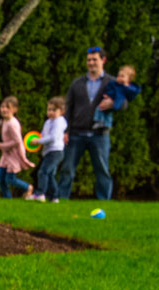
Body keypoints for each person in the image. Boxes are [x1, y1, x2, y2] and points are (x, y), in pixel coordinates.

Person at [58, 46, 117, 202]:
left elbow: (123, 103)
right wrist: (66, 131)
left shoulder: (111, 82)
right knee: (67, 169)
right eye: (89, 60)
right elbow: (68, 108)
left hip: (100, 135)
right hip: (76, 134)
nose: (91, 63)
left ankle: (104, 201)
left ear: (103, 60)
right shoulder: (77, 83)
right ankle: (61, 199)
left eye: (94, 59)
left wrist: (113, 103)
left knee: (102, 170)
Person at [0, 96, 34, 199]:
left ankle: (28, 187)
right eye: (2, 107)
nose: (4, 109)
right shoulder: (3, 121)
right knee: (0, 178)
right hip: (6, 154)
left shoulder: (12, 123)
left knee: (10, 179)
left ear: (14, 110)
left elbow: (17, 141)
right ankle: (7, 199)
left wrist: (1, 145)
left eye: (7, 107)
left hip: (14, 154)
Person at [31, 97, 67, 202]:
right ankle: (54, 197)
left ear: (61, 111)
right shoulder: (48, 122)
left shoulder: (60, 122)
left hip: (55, 151)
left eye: (54, 110)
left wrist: (38, 141)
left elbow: (53, 137)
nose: (50, 112)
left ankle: (40, 194)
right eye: (49, 109)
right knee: (50, 174)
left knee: (43, 172)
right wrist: (36, 141)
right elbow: (42, 135)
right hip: (48, 152)